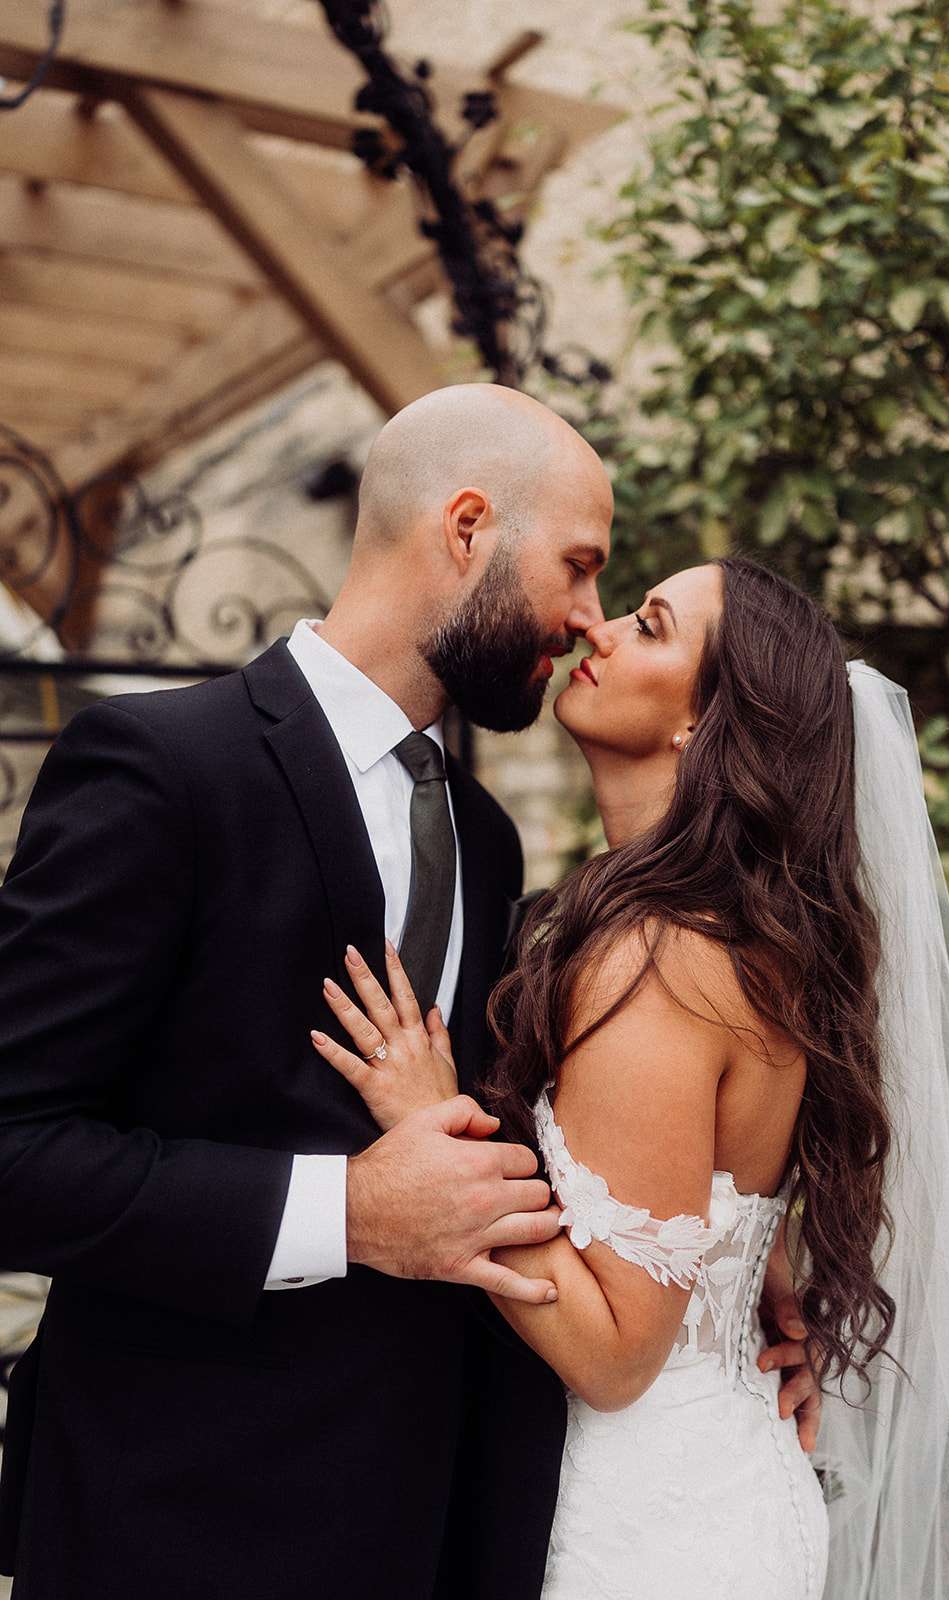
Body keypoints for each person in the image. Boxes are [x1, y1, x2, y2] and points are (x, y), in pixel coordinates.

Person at [0, 388, 814, 1599]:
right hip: (176, 1515)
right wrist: (348, 1212)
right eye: (580, 567)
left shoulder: (485, 841)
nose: (588, 617)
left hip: (438, 1517)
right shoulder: (166, 770)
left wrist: (722, 1273)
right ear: (468, 528)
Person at [316, 555, 949, 1599]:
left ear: (703, 721)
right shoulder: (732, 937)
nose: (596, 632)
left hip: (644, 1526)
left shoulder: (657, 957)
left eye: (646, 625)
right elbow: (703, 1210)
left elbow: (613, 1356)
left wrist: (436, 1123)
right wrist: (751, 1295)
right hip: (717, 1473)